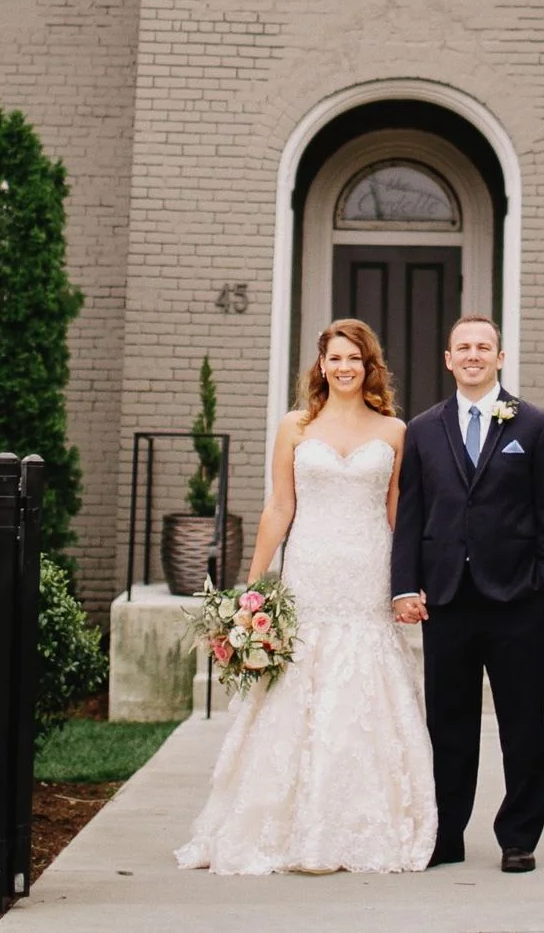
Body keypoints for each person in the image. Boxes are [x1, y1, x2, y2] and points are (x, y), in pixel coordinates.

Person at [175, 319, 435, 873]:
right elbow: (279, 508)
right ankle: (287, 826)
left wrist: (409, 580)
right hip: (309, 573)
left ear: (370, 367)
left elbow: (397, 513)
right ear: (320, 365)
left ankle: (359, 825)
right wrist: (252, 584)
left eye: (354, 359)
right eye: (334, 358)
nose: (344, 367)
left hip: (368, 572)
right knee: (298, 690)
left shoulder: (394, 431)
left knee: (364, 691)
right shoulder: (295, 426)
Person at [391, 313, 544, 874]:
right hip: (446, 599)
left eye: (483, 346)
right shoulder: (421, 430)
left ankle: (518, 836)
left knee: (523, 725)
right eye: (462, 347)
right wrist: (403, 586)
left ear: (500, 357)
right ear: (448, 359)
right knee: (449, 725)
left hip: (517, 599)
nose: (472, 354)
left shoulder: (535, 426)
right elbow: (412, 514)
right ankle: (448, 834)